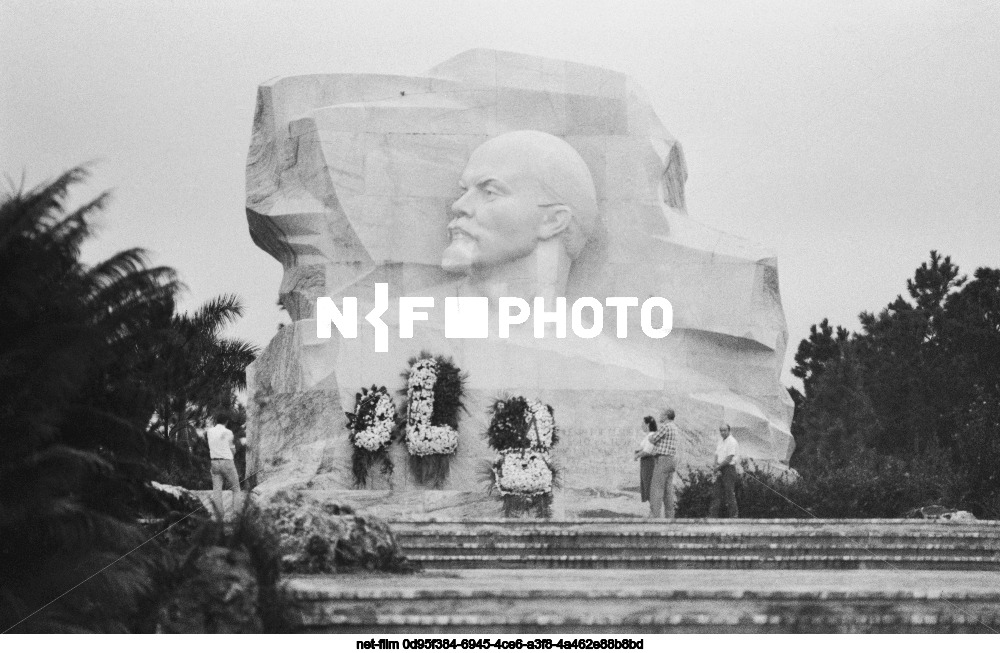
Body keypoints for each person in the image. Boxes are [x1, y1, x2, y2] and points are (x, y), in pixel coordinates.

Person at [442, 130, 599, 304]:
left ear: (553, 220)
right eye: (463, 191)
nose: (458, 206)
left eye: (489, 192)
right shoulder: (410, 322)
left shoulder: (579, 331)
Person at [206, 412, 242, 519]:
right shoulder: (228, 432)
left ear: (216, 421)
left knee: (217, 491)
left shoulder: (209, 431)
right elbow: (232, 449)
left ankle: (219, 518)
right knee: (236, 489)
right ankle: (237, 517)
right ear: (226, 421)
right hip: (227, 461)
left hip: (214, 462)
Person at [647, 408, 680, 519]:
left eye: (661, 414)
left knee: (657, 488)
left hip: (663, 460)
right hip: (672, 460)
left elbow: (652, 439)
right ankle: (670, 516)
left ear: (666, 416)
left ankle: (654, 516)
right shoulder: (674, 427)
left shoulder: (665, 427)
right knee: (668, 490)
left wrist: (651, 435)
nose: (660, 417)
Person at [709, 424, 739, 518]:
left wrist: (718, 467)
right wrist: (715, 466)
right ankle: (713, 516)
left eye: (724, 430)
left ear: (729, 430)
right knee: (716, 493)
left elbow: (729, 458)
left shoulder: (732, 441)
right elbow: (717, 454)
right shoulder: (721, 441)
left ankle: (733, 516)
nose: (722, 432)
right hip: (720, 468)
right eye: (721, 431)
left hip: (728, 469)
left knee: (729, 492)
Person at [634, 416, 658, 503]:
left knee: (649, 485)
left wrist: (637, 456)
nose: (641, 425)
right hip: (646, 464)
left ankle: (653, 511)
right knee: (647, 485)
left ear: (647, 424)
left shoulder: (651, 436)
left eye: (643, 423)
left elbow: (648, 451)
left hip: (649, 464)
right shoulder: (649, 436)